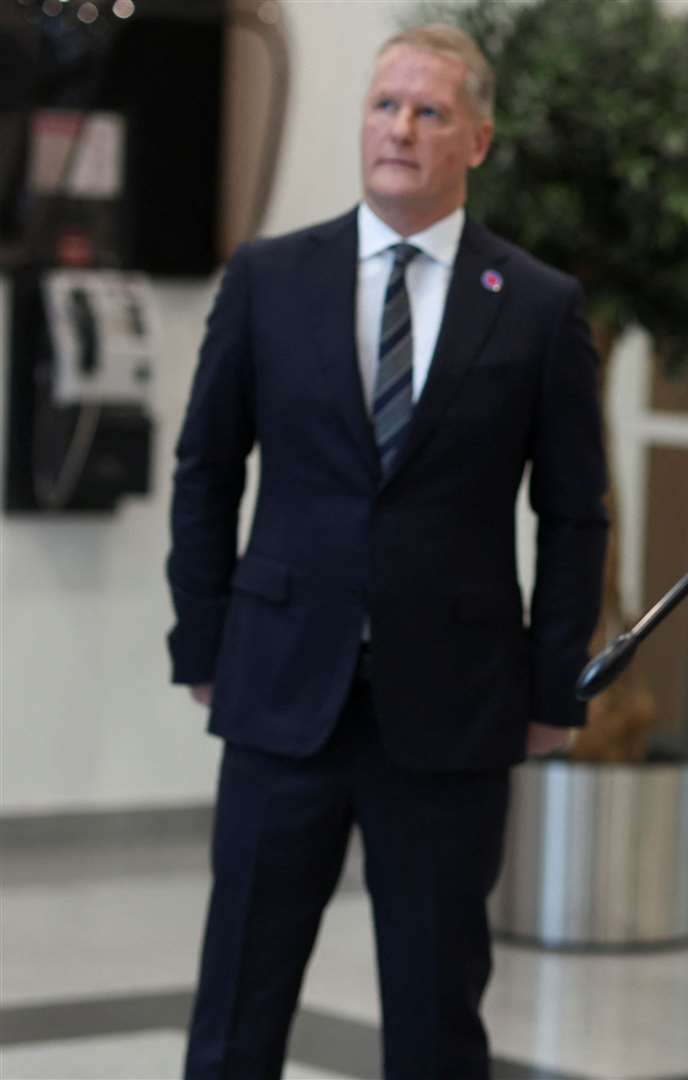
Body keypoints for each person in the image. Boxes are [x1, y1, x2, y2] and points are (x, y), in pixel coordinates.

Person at [167, 23, 607, 1079]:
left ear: (479, 139)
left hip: (454, 708)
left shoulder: (540, 307)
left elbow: (575, 511)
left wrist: (555, 688)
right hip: (280, 689)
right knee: (237, 998)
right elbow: (205, 470)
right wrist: (204, 643)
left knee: (437, 1012)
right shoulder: (270, 278)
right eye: (384, 105)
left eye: (429, 111)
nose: (400, 129)